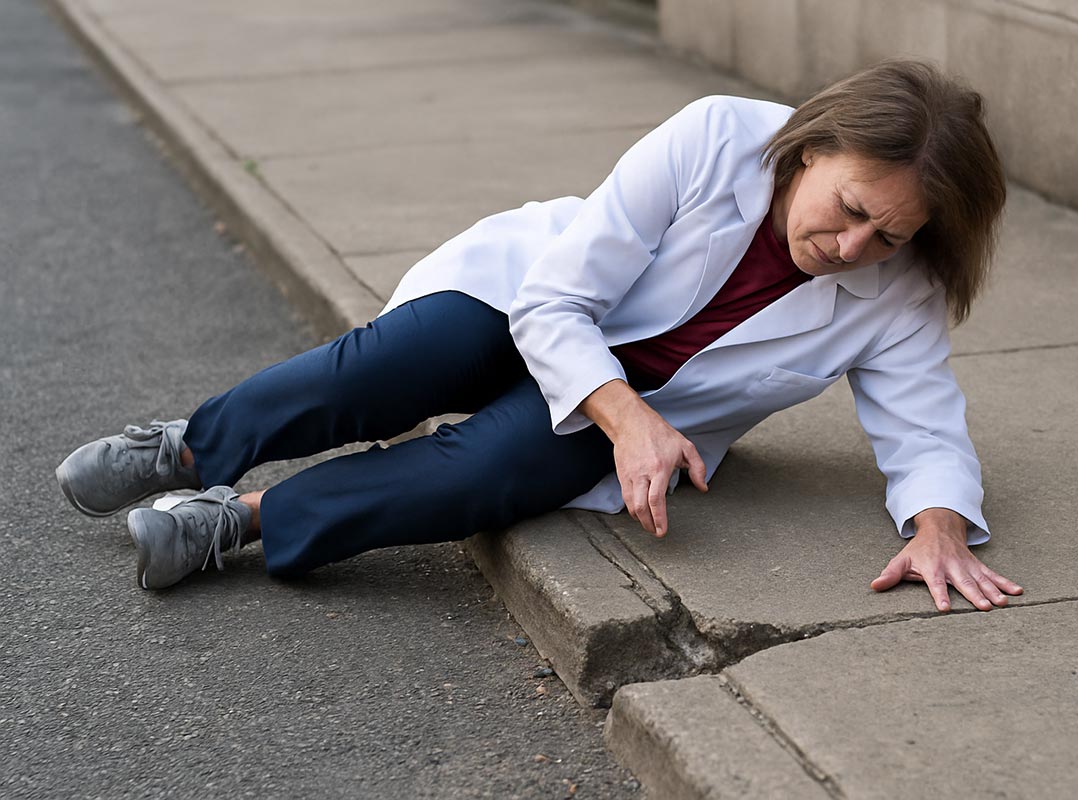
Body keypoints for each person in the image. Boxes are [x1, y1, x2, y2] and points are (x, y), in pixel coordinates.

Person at [57, 59, 1022, 612]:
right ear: (810, 148)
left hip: (648, 410)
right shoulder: (717, 137)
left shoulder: (902, 289)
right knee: (395, 364)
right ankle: (189, 448)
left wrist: (937, 527)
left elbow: (924, 426)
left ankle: (235, 520)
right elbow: (558, 300)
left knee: (480, 475)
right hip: (533, 299)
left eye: (889, 235)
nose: (853, 248)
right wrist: (627, 420)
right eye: (849, 208)